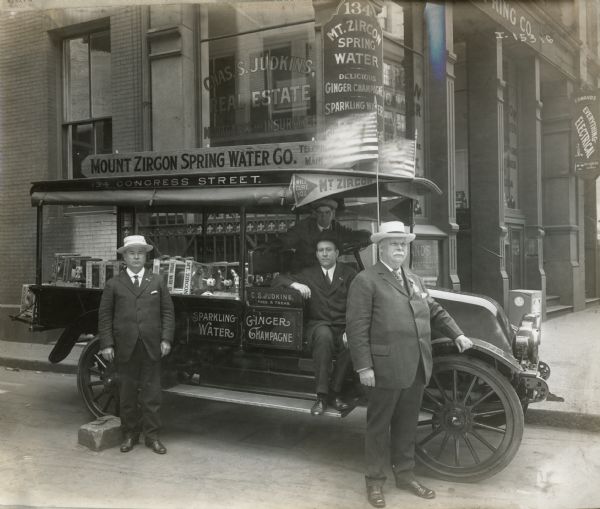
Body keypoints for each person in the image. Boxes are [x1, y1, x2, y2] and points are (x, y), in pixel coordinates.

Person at [346, 221, 473, 507]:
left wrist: (458, 333)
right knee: (379, 428)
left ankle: (405, 476)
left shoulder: (414, 279)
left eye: (404, 244)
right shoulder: (366, 280)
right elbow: (356, 328)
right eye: (394, 244)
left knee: (406, 426)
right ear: (381, 247)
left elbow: (434, 310)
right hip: (384, 368)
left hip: (416, 366)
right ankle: (375, 483)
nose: (400, 249)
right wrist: (364, 367)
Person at [98, 235, 175, 455]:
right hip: (125, 347)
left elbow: (168, 312)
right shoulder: (113, 284)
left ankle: (152, 437)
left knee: (152, 395)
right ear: (124, 257)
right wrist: (107, 344)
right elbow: (105, 316)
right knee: (127, 394)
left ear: (146, 256)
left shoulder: (157, 281)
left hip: (151, 346)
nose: (136, 257)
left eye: (140, 253)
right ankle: (130, 435)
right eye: (131, 253)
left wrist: (166, 339)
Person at [273, 233, 356, 415]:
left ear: (337, 253)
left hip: (343, 325)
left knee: (352, 343)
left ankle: (335, 393)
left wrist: (350, 330)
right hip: (318, 325)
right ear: (316, 254)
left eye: (328, 250)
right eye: (320, 251)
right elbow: (278, 280)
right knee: (324, 336)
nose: (324, 254)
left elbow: (358, 303)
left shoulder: (349, 274)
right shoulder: (308, 274)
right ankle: (322, 397)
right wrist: (295, 285)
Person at [279, 198, 370, 272]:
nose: (324, 216)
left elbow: (351, 235)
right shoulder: (303, 227)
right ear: (315, 214)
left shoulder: (336, 227)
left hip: (327, 269)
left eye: (327, 212)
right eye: (320, 213)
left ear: (333, 214)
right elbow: (285, 241)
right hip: (305, 271)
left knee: (352, 270)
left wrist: (369, 236)